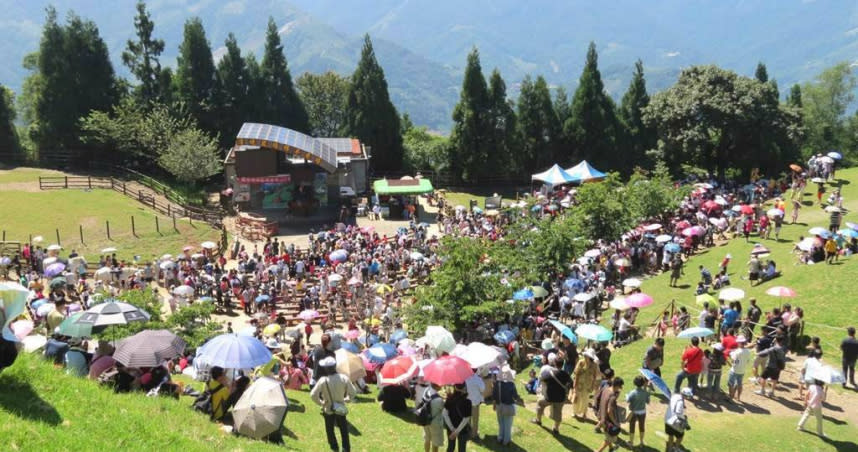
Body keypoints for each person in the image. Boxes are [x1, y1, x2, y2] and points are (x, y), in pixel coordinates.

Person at [310, 356, 357, 452]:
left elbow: (313, 394)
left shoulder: (323, 380)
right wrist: (347, 399)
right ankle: (346, 448)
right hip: (340, 407)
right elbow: (353, 392)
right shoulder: (344, 378)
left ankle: (334, 446)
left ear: (326, 369)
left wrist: (321, 403)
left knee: (330, 429)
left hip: (328, 408)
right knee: (344, 430)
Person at [532, 354, 571, 434]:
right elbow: (571, 384)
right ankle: (556, 429)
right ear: (562, 364)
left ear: (554, 363)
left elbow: (542, 380)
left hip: (549, 397)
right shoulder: (566, 374)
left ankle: (538, 420)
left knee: (540, 403)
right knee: (558, 413)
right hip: (560, 398)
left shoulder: (549, 373)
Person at [493, 365, 520, 446]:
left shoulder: (497, 383)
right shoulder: (511, 384)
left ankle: (500, 437)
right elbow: (515, 396)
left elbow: (494, 395)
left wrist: (494, 404)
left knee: (501, 423)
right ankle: (506, 441)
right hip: (508, 406)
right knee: (507, 424)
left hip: (499, 405)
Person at [596, 377, 624, 452]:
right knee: (610, 438)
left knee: (607, 434)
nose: (620, 389)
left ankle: (611, 448)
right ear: (617, 386)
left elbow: (598, 398)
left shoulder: (605, 389)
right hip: (607, 420)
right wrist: (616, 423)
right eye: (620, 387)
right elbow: (609, 411)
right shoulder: (612, 396)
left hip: (601, 416)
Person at [443, 383, 472, 452]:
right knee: (462, 449)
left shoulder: (449, 398)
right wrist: (456, 431)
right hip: (462, 429)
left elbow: (444, 414)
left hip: (451, 428)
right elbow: (466, 418)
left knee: (450, 448)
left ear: (455, 387)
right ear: (464, 388)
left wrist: (452, 429)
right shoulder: (467, 401)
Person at [572, 349, 600, 419]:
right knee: (577, 398)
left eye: (586, 355)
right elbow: (576, 373)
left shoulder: (595, 365)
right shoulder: (581, 362)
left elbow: (595, 376)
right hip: (579, 384)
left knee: (585, 400)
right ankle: (575, 412)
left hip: (588, 385)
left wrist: (593, 386)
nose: (585, 356)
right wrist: (575, 384)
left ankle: (584, 413)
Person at [625, 375, 650, 448]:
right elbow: (648, 402)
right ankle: (641, 442)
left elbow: (628, 400)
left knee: (632, 427)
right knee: (641, 427)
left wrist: (626, 395)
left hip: (633, 412)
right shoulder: (645, 392)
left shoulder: (633, 392)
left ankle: (631, 443)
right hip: (642, 412)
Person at [665, 387, 692, 452]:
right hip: (675, 422)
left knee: (671, 435)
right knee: (680, 436)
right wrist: (684, 419)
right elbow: (678, 412)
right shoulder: (680, 401)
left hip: (667, 419)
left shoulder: (675, 396)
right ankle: (676, 449)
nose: (687, 397)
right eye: (687, 396)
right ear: (684, 395)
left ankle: (670, 449)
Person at [421, 383, 445, 452]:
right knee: (435, 443)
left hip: (425, 419)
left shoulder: (426, 390)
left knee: (427, 439)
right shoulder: (438, 400)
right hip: (435, 423)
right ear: (437, 386)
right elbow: (443, 408)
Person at [727, 336, 751, 402]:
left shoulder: (737, 352)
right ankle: (738, 397)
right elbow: (748, 361)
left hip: (734, 370)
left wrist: (730, 353)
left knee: (730, 384)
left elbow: (733, 360)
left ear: (740, 343)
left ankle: (730, 397)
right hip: (742, 370)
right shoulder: (748, 351)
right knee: (739, 384)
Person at [464, 369, 485, 439]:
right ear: (476, 370)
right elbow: (482, 389)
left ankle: (468, 431)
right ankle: (474, 434)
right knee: (475, 419)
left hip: (467, 401)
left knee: (467, 418)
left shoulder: (466, 378)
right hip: (475, 402)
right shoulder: (478, 379)